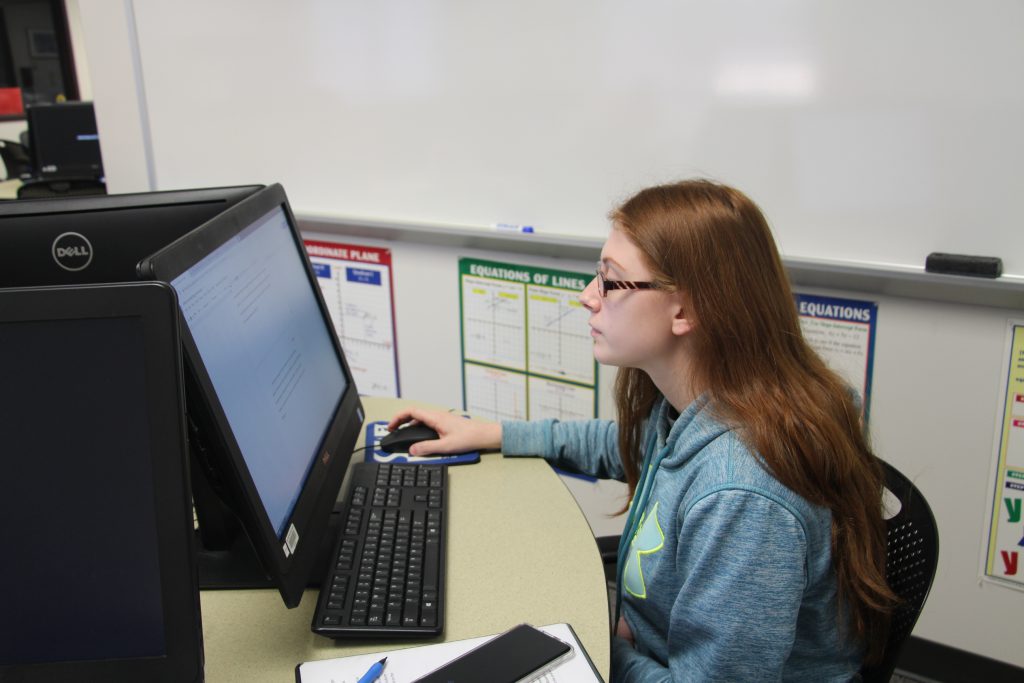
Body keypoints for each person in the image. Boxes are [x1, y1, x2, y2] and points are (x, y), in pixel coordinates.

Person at [388, 179, 896, 681]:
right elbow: (628, 447)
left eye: (611, 281)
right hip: (653, 650)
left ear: (686, 310)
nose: (589, 297)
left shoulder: (742, 495)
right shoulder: (708, 400)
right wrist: (491, 434)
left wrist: (592, 643)